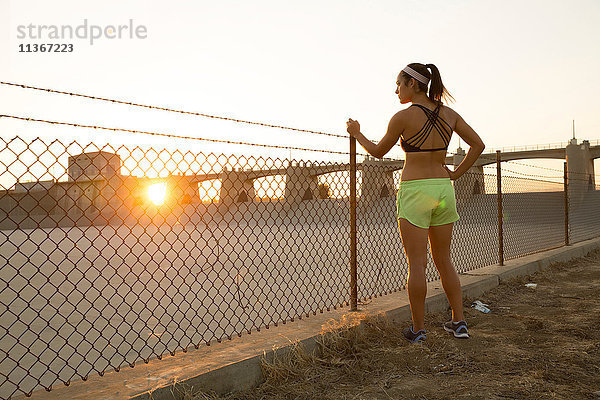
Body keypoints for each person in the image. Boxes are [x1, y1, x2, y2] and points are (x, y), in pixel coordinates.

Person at [346, 63, 485, 343]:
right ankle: (459, 322)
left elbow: (378, 151)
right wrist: (456, 174)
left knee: (417, 263)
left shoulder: (402, 117)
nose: (395, 89)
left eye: (399, 83)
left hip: (414, 189)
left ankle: (418, 330)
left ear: (412, 84)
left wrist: (356, 132)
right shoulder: (449, 114)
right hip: (443, 189)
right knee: (444, 260)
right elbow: (478, 145)